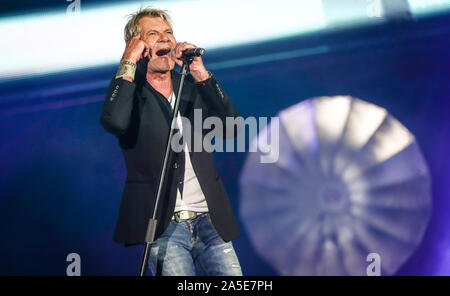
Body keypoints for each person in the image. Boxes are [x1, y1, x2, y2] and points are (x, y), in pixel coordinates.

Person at [99, 7, 242, 276]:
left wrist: (200, 72)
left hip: (211, 222)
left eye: (168, 33)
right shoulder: (130, 91)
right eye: (153, 34)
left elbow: (231, 128)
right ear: (138, 44)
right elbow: (114, 121)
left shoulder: (191, 85)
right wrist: (128, 59)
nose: (165, 39)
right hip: (163, 226)